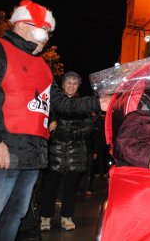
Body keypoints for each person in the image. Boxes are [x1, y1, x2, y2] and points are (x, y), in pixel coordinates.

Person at [0, 0, 109, 241]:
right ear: (23, 25)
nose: (47, 37)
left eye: (49, 31)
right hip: (0, 153)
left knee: (14, 217)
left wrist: (98, 103)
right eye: (44, 30)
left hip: (31, 156)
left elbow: (62, 103)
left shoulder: (44, 67)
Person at [39, 71, 95, 231]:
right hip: (54, 151)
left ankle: (66, 217)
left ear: (78, 86)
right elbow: (44, 118)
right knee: (50, 186)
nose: (71, 85)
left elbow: (90, 128)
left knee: (71, 188)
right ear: (62, 85)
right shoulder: (54, 102)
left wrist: (73, 134)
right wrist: (52, 124)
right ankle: (45, 217)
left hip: (76, 153)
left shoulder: (83, 104)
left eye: (75, 83)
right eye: (68, 82)